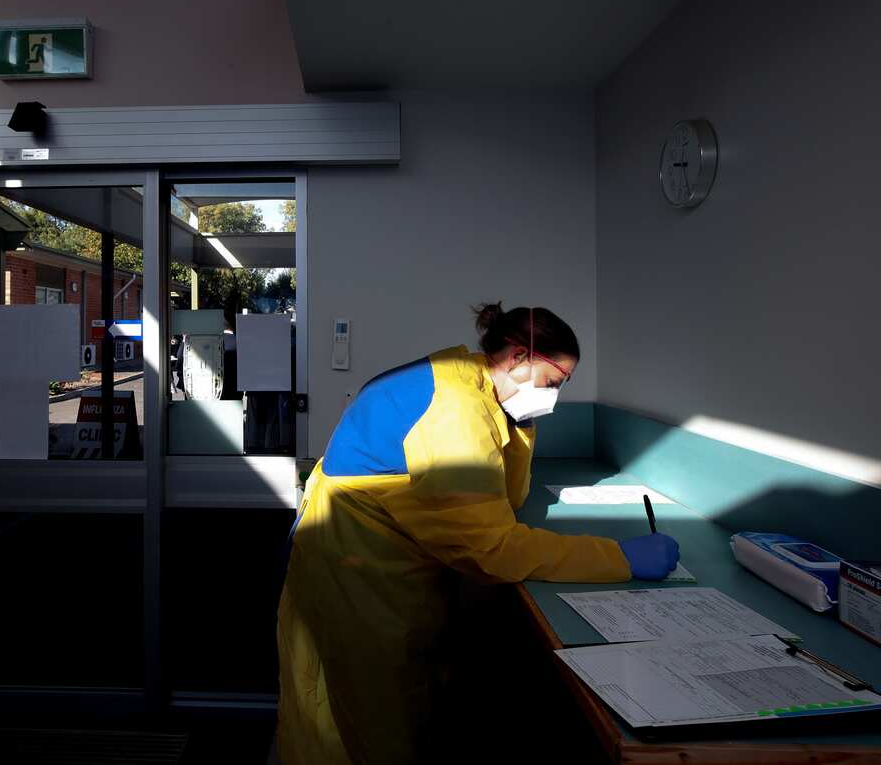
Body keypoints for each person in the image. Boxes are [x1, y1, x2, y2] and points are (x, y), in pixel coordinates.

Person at [275, 303, 679, 765]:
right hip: (354, 569)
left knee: (391, 707)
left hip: (379, 557)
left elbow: (505, 499)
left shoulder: (472, 381)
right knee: (364, 725)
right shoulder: (455, 410)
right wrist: (620, 559)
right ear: (517, 356)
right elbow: (494, 549)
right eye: (552, 383)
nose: (553, 398)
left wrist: (521, 422)